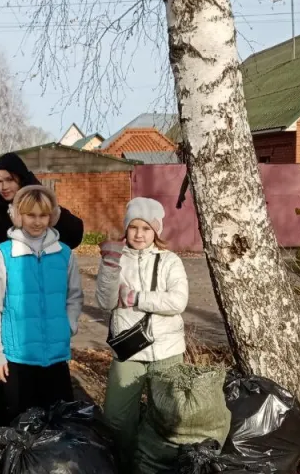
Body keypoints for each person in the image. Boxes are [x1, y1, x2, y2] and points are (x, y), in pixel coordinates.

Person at [95, 197, 189, 469]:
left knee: (167, 416)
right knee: (116, 418)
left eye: (146, 228)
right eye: (133, 227)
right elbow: (105, 302)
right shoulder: (117, 258)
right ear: (126, 228)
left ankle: (159, 467)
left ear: (156, 231)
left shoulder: (170, 260)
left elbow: (178, 301)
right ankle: (127, 464)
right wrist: (110, 266)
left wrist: (136, 298)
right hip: (129, 350)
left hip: (167, 351)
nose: (139, 234)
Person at [0, 185, 83, 426]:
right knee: (15, 426)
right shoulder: (4, 254)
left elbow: (75, 296)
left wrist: (68, 326)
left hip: (54, 358)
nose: (37, 222)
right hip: (16, 359)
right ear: (18, 216)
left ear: (51, 216)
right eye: (30, 215)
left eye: (43, 215)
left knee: (56, 427)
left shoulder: (64, 254)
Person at [0, 152, 84, 249]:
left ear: (21, 178)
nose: (4, 187)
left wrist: (55, 216)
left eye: (9, 179)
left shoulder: (42, 203)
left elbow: (75, 236)